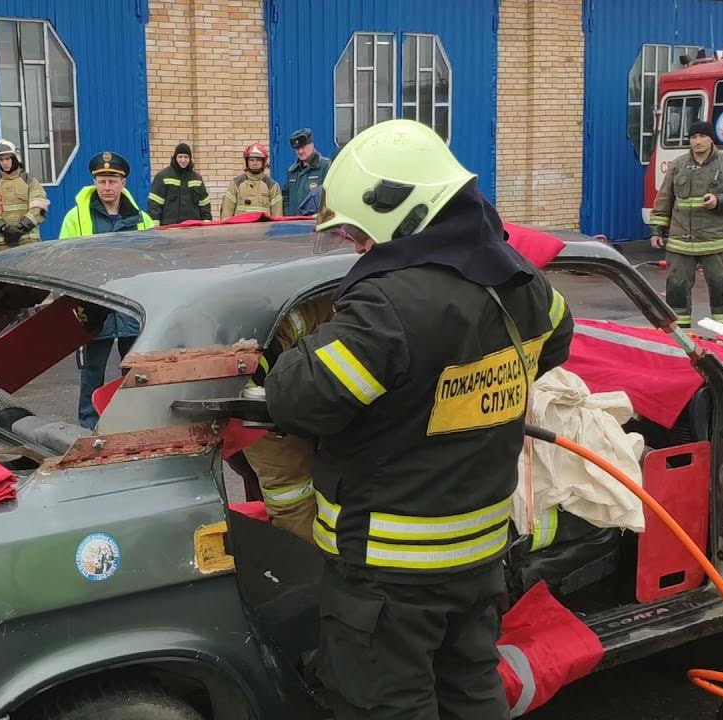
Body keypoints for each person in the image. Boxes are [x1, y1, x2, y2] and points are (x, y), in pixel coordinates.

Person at [262, 119, 573, 719]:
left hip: (388, 572)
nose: (354, 244)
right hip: (479, 556)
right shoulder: (523, 282)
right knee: (471, 690)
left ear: (400, 215)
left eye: (357, 230)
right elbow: (554, 344)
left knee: (387, 703)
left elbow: (297, 398)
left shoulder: (388, 304)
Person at [59, 151, 156, 428]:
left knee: (135, 370)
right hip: (94, 306)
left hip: (130, 306)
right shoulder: (75, 218)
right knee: (92, 370)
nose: (107, 187)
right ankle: (88, 425)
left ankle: (135, 421)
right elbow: (66, 261)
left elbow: (151, 263)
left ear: (123, 182)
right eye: (101, 181)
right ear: (94, 182)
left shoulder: (142, 219)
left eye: (112, 180)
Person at [242, 293, 334, 541]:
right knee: (292, 497)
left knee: (289, 499)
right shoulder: (332, 299)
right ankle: (309, 563)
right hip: (266, 409)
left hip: (262, 405)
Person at [648, 120, 723, 329]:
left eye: (702, 136)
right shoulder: (678, 165)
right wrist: (657, 230)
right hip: (681, 242)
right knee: (676, 289)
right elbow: (664, 199)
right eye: (694, 137)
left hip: (714, 242)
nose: (698, 141)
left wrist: (719, 201)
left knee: (721, 289)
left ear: (711, 138)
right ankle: (680, 337)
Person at [0, 139, 49, 249]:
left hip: (28, 241)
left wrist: (22, 228)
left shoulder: (29, 181)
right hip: (2, 243)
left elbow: (39, 209)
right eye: (1, 160)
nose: (4, 163)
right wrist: (3, 228)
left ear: (15, 158)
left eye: (7, 159)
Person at [147, 143, 212, 224]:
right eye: (180, 157)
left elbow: (204, 205)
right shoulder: (162, 177)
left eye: (186, 157)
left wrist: (206, 222)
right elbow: (154, 205)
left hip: (193, 228)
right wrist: (155, 228)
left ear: (190, 159)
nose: (183, 160)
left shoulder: (197, 179)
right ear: (175, 157)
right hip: (169, 229)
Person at [220, 144, 283, 219]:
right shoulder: (236, 183)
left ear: (263, 162)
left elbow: (277, 216)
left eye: (258, 160)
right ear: (247, 162)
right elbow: (226, 212)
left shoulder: (272, 185)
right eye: (251, 160)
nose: (254, 163)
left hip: (264, 230)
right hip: (240, 230)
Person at [285, 128, 332, 215]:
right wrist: (288, 216)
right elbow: (286, 197)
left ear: (312, 144)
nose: (300, 151)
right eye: (297, 149)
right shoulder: (292, 171)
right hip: (293, 224)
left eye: (303, 147)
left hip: (314, 224)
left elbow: (330, 197)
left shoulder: (326, 166)